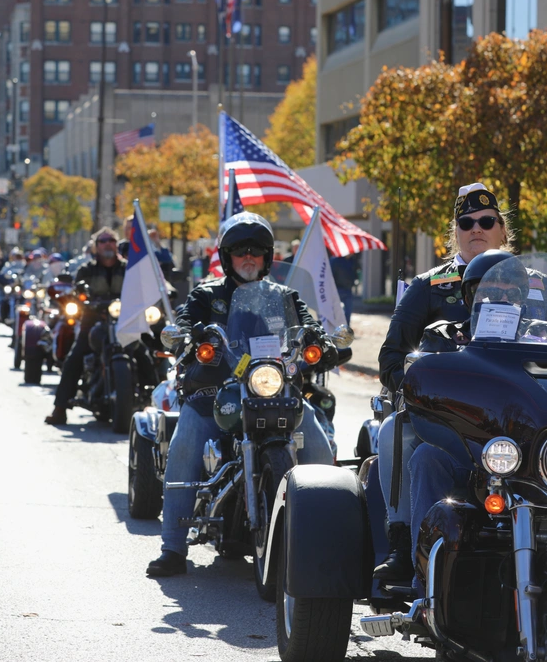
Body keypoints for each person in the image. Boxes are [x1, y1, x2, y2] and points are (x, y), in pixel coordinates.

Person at [146, 212, 340, 577]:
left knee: (316, 443)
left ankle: (328, 541)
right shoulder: (208, 295)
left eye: (256, 250)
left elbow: (309, 325)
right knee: (185, 441)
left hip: (273, 391)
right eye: (239, 250)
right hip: (218, 394)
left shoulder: (285, 296)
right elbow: (185, 321)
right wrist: (187, 335)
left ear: (267, 257)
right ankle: (172, 547)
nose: (248, 257)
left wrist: (319, 341)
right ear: (226, 256)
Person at [372, 182, 511, 584]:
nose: (476, 229)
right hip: (447, 418)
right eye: (466, 222)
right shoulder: (429, 285)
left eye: (487, 221)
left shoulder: (532, 283)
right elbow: (391, 358)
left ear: (502, 230)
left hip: (518, 416)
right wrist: (420, 392)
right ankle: (403, 545)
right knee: (394, 432)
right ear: (455, 232)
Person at [45, 227, 126, 425]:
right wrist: (80, 292)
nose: (108, 244)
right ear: (96, 247)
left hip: (124, 320)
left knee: (147, 352)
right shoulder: (87, 269)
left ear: (117, 245)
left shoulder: (128, 268)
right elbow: (78, 286)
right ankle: (60, 409)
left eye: (111, 240)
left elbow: (144, 284)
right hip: (94, 320)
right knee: (74, 358)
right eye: (103, 241)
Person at [330, 253, 360, 325]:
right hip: (337, 289)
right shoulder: (335, 260)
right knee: (336, 310)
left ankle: (346, 328)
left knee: (348, 311)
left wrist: (355, 280)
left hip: (348, 289)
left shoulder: (352, 260)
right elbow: (331, 274)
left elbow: (355, 272)